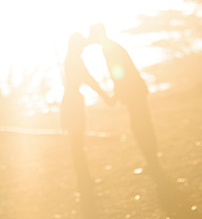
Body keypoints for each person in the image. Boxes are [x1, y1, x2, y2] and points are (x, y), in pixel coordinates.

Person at [88, 23, 162, 179]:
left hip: (133, 91)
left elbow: (118, 74)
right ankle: (152, 161)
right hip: (134, 91)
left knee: (140, 125)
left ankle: (153, 162)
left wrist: (114, 96)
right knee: (142, 124)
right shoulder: (110, 47)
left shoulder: (109, 49)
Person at [60, 32, 113, 192]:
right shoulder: (75, 61)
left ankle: (84, 178)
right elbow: (89, 79)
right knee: (77, 142)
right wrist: (105, 96)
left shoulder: (71, 59)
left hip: (71, 100)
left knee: (77, 142)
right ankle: (84, 179)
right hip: (73, 102)